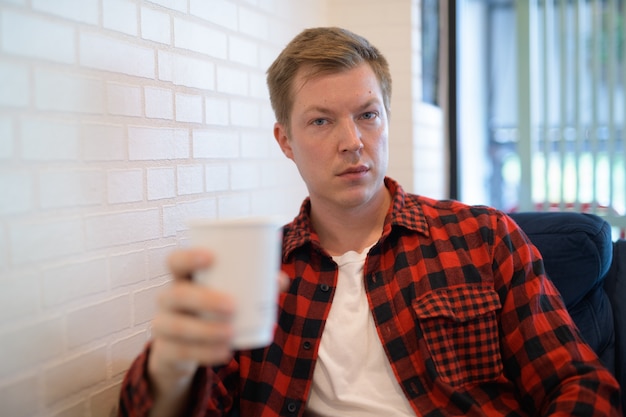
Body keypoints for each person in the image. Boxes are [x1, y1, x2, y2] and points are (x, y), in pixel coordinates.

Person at [118, 27, 621, 416]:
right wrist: (171, 368)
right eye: (321, 120)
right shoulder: (255, 272)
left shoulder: (483, 237)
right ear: (285, 142)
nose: (352, 141)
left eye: (367, 115)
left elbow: (577, 383)